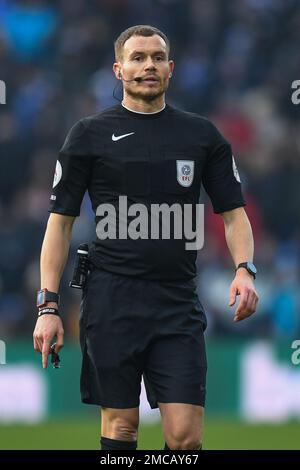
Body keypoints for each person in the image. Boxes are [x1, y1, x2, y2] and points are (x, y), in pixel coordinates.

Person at [33, 25, 259, 451]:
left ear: (171, 69)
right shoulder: (88, 135)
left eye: (157, 57)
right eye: (137, 58)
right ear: (118, 70)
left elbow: (234, 215)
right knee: (120, 429)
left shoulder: (202, 136)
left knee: (185, 438)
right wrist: (48, 305)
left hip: (176, 301)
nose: (148, 65)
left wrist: (244, 270)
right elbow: (58, 224)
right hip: (111, 301)